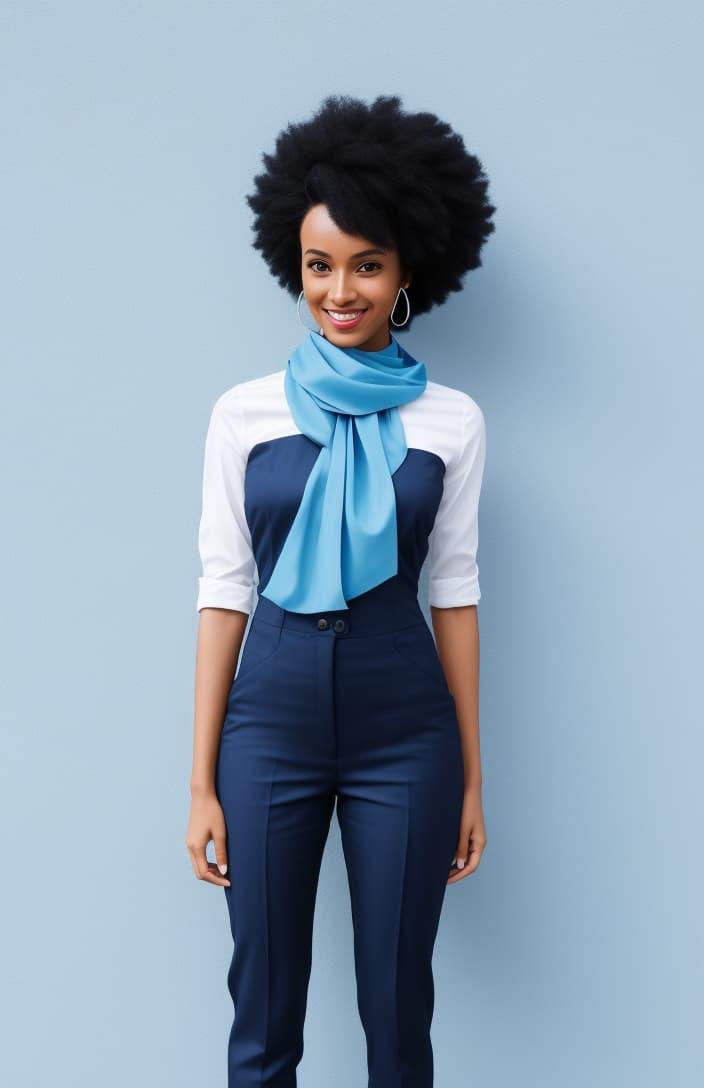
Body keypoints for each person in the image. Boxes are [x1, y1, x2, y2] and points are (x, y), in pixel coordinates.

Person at [185, 92, 496, 1087]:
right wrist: (199, 779)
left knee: (397, 1005)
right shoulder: (243, 412)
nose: (341, 289)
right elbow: (223, 587)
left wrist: (472, 775)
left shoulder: (451, 420)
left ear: (406, 270)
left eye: (366, 263)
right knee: (263, 1004)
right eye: (321, 265)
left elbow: (453, 590)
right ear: (295, 265)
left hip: (402, 722)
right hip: (267, 719)